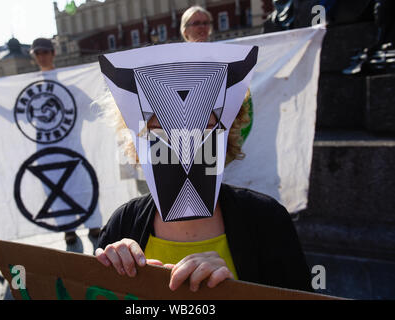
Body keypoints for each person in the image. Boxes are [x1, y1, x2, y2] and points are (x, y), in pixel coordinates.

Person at [95, 7, 312, 294]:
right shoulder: (123, 225)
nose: (184, 139)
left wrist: (235, 291)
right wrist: (106, 279)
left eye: (204, 124)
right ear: (138, 138)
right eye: (162, 126)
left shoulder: (267, 221)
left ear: (228, 134)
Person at [30, 38, 101, 245]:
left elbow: (93, 110)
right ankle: (68, 228)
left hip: (72, 148)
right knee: (55, 192)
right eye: (38, 53)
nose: (42, 56)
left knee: (83, 185)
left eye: (45, 52)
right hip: (46, 152)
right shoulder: (30, 90)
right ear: (34, 57)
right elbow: (12, 113)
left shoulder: (71, 88)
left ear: (53, 53)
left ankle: (93, 222)